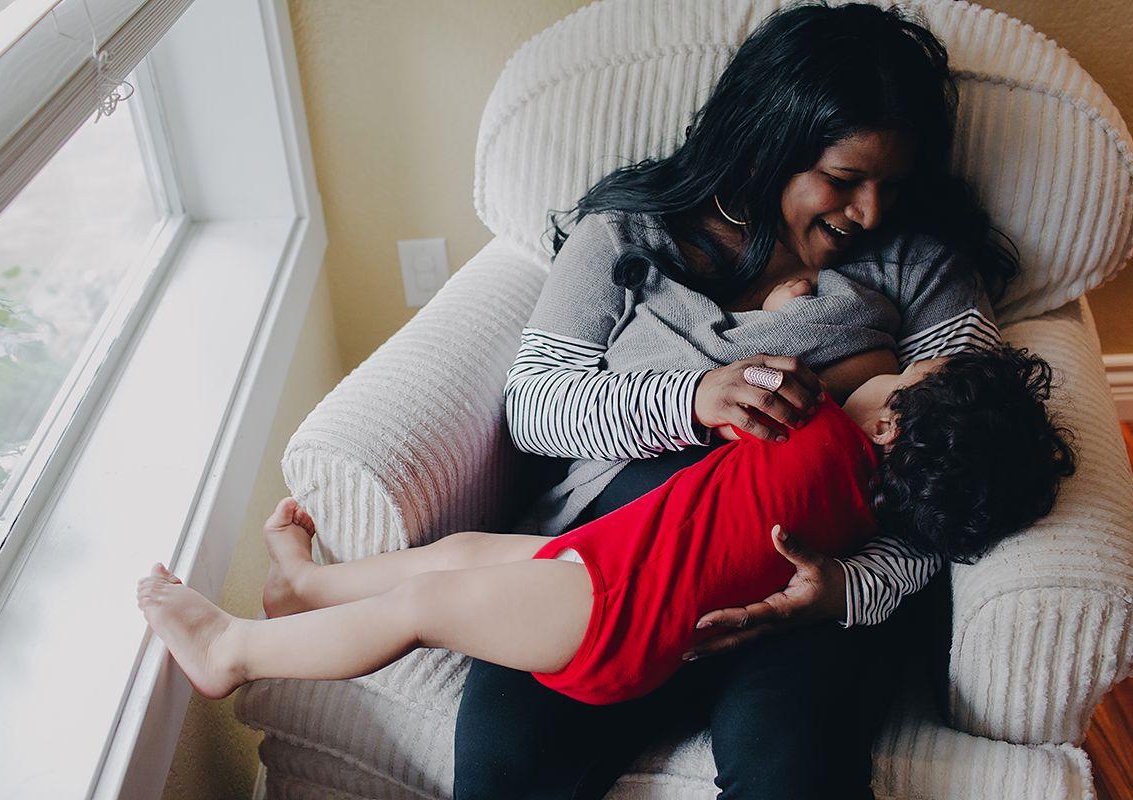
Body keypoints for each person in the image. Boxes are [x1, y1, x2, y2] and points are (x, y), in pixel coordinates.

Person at [457, 3, 1022, 798]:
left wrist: (850, 592)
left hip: (800, 590)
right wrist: (691, 400)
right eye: (843, 178)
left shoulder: (918, 266)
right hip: (611, 561)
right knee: (503, 770)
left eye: (891, 184)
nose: (869, 213)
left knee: (795, 772)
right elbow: (537, 404)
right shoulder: (630, 232)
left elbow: (969, 469)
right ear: (768, 144)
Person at [135, 346, 1074, 708]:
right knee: (460, 555)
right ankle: (306, 586)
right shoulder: (870, 519)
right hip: (615, 568)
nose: (895, 368)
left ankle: (235, 652)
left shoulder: (821, 427)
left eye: (907, 379)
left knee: (428, 598)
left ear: (890, 421)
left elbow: (793, 377)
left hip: (610, 612)